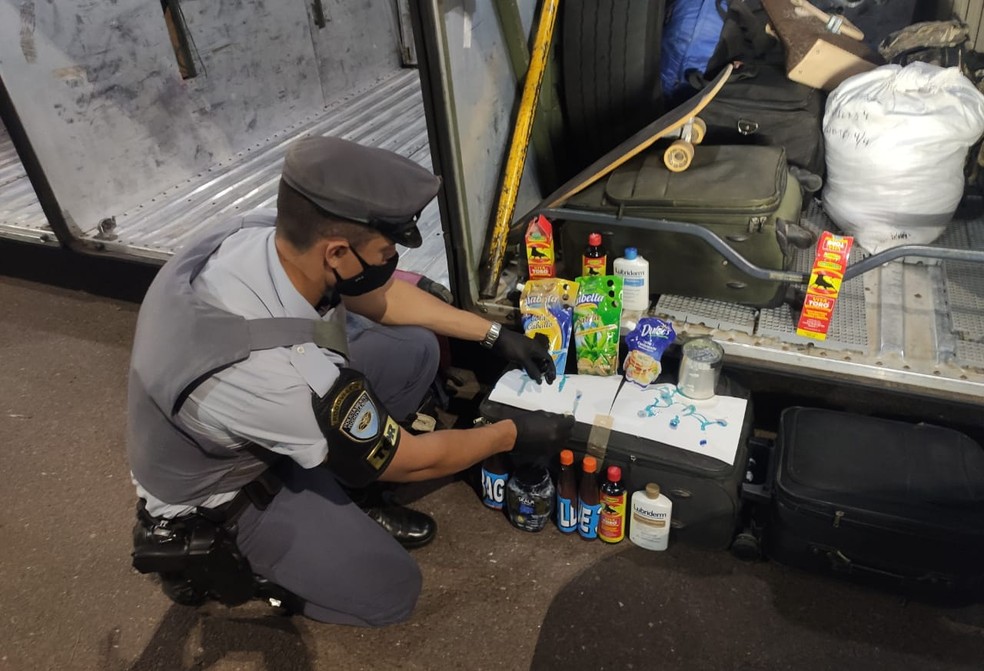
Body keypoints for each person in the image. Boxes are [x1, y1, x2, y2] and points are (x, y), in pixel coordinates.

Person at [126, 135, 574, 627]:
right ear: (336, 252)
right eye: (384, 251)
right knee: (389, 591)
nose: (390, 263)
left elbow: (380, 299)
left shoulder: (265, 238)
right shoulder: (273, 375)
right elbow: (412, 460)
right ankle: (212, 568)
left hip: (262, 412)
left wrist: (493, 334)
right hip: (224, 491)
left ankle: (341, 476)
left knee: (416, 350)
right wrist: (511, 433)